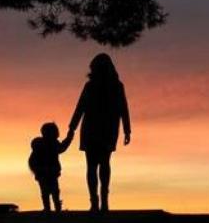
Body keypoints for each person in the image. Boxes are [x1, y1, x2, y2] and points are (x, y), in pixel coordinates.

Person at [68, 53, 131, 212]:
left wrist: (72, 128)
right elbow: (81, 107)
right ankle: (99, 201)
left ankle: (98, 201)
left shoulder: (101, 86)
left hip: (99, 129)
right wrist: (127, 130)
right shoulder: (113, 85)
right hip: (101, 129)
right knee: (102, 164)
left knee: (94, 165)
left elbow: (123, 107)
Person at [28, 122, 73, 213]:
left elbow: (32, 160)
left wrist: (35, 169)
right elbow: (61, 148)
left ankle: (49, 207)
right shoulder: (49, 144)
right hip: (48, 171)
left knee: (47, 190)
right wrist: (69, 138)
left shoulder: (40, 144)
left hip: (44, 171)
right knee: (53, 190)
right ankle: (54, 207)